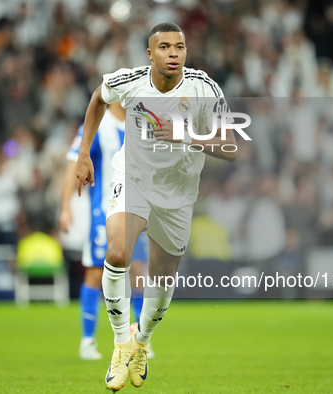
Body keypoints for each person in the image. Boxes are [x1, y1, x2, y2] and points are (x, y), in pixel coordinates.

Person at [75, 23, 238, 391]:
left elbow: (230, 147)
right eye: (164, 47)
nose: (174, 53)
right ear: (150, 54)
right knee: (117, 253)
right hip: (133, 180)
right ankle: (120, 343)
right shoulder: (130, 81)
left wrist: (184, 133)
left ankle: (142, 343)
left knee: (161, 278)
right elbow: (99, 99)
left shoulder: (204, 88)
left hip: (178, 192)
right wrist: (84, 153)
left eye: (179, 47)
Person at [59, 101, 151, 361]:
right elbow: (73, 165)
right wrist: (65, 207)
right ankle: (87, 341)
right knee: (95, 273)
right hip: (105, 211)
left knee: (139, 272)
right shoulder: (97, 126)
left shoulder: (142, 124)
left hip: (137, 210)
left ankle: (141, 339)